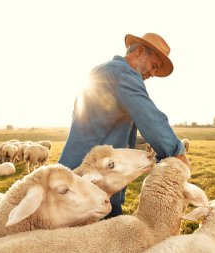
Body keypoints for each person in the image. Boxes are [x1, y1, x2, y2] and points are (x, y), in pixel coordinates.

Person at [59, 33, 190, 218]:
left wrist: (142, 142)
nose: (153, 74)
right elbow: (150, 117)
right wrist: (176, 152)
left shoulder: (101, 71)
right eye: (154, 66)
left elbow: (102, 127)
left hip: (72, 176)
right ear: (139, 51)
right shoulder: (124, 74)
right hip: (93, 184)